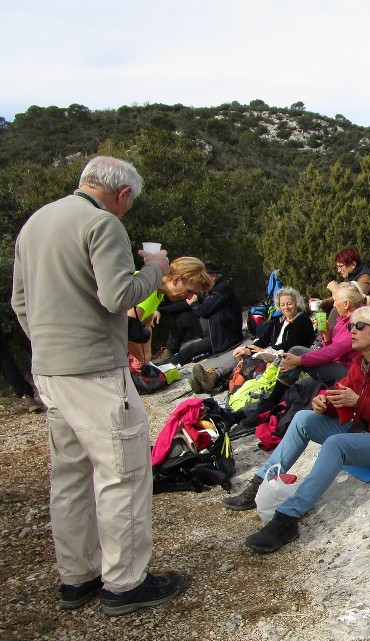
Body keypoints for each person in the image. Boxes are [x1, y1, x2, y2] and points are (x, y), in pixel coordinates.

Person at [10, 155, 186, 615]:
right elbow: (117, 295)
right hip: (94, 372)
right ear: (122, 194)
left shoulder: (36, 223)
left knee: (69, 475)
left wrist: (48, 345)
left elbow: (20, 301)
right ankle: (125, 583)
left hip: (50, 369)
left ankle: (77, 576)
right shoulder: (102, 225)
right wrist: (154, 266)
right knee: (122, 472)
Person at [222, 305, 370, 553]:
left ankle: (287, 518)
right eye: (351, 326)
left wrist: (357, 402)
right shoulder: (361, 363)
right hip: (366, 431)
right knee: (304, 418)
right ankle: (259, 484)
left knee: (335, 444)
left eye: (359, 326)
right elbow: (340, 393)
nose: (352, 331)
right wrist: (324, 404)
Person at [190, 286, 314, 393]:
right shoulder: (279, 321)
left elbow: (289, 345)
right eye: (283, 304)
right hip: (273, 351)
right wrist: (249, 348)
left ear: (297, 303)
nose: (286, 307)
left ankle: (215, 379)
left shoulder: (302, 321)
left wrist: (259, 350)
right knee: (242, 352)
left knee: (251, 359)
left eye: (289, 303)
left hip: (287, 356)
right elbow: (264, 339)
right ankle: (213, 377)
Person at [129, 257, 215, 364]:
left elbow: (146, 324)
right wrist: (141, 358)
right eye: (189, 291)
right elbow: (126, 328)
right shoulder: (148, 289)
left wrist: (146, 357)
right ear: (176, 279)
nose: (189, 298)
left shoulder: (158, 292)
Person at [162, 262, 244, 365]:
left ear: (213, 276)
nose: (199, 282)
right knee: (184, 318)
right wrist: (161, 311)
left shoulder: (222, 289)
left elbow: (204, 311)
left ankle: (166, 366)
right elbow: (187, 303)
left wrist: (194, 303)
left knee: (190, 350)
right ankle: (171, 351)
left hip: (224, 336)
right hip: (211, 329)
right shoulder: (208, 289)